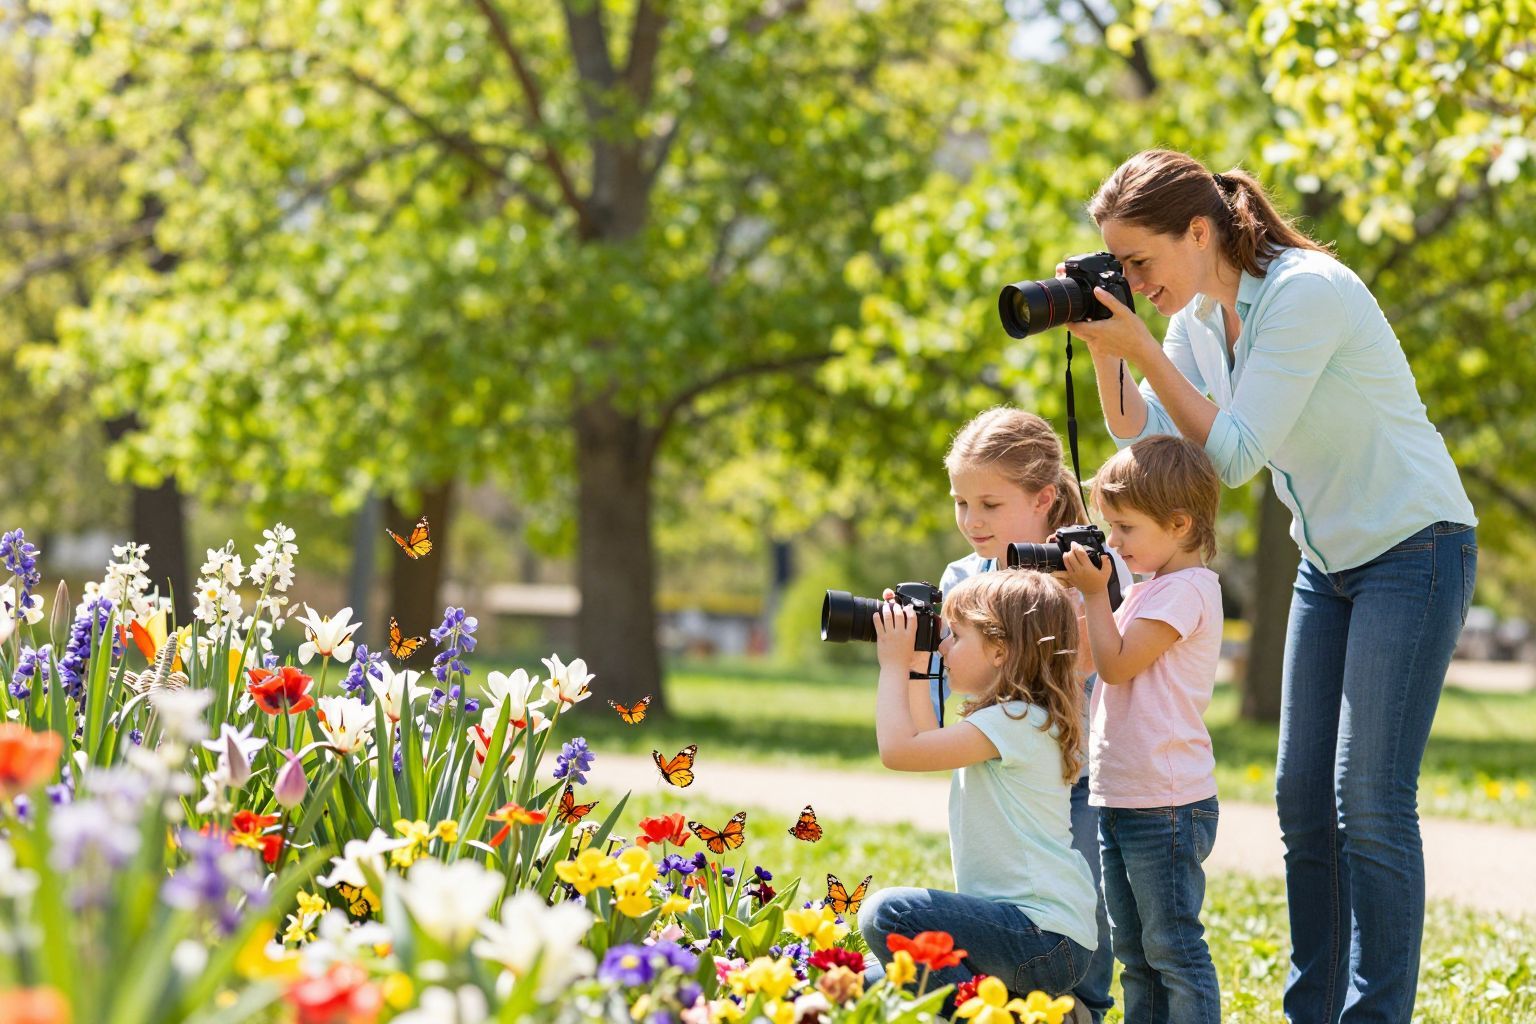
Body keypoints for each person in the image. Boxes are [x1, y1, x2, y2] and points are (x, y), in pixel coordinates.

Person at [1066, 148, 1478, 1024]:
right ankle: (1311, 1012)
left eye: (1141, 262)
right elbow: (1147, 438)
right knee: (1302, 802)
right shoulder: (1199, 325)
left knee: (1368, 799)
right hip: (1329, 565)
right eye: (1120, 267)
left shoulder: (1305, 291)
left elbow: (1236, 457)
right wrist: (1112, 351)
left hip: (1417, 546)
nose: (1134, 282)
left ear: (1201, 231)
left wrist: (1139, 341)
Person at [926, 406, 1124, 1020]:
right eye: (961, 503)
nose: (970, 521)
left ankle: (1082, 1010)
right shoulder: (962, 579)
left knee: (1088, 911)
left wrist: (1080, 588)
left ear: (1043, 498)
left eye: (989, 504)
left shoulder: (1082, 569)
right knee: (1000, 909)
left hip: (1084, 779)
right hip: (1005, 780)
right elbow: (948, 693)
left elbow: (1084, 666)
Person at [861, 569, 1097, 1022]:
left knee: (888, 915)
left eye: (955, 635)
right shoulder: (1019, 718)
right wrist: (914, 662)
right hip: (1037, 938)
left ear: (1000, 649)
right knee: (867, 986)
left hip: (1041, 939)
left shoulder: (1014, 718)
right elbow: (925, 738)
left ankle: (1006, 1016)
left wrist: (891, 664)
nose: (944, 645)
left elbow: (899, 750)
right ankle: (1036, 1014)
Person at [1062, 434, 1225, 1024]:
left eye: (1125, 529)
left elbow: (1118, 664)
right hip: (1124, 794)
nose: (1113, 542)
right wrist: (1082, 599)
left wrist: (1095, 596)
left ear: (1179, 523)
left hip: (1168, 802)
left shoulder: (1188, 591)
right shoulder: (1146, 589)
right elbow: (1088, 659)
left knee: (1173, 949)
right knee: (1134, 951)